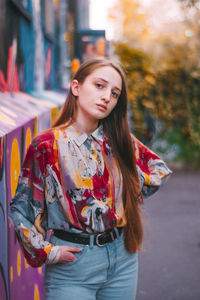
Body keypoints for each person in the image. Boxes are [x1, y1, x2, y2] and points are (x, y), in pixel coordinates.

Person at [9, 58, 172, 300]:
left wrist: (125, 187)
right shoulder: (47, 146)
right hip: (74, 264)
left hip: (122, 258)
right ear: (76, 87)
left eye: (115, 93)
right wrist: (49, 252)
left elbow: (158, 170)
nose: (107, 97)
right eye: (99, 86)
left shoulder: (119, 140)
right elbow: (21, 210)